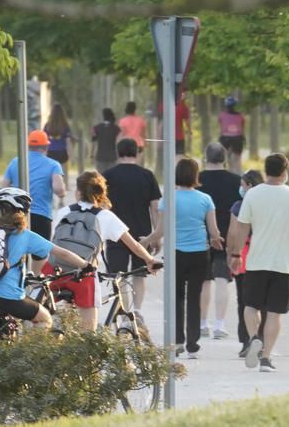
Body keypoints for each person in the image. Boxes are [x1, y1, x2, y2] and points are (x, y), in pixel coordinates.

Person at [228, 153, 289, 372]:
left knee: (250, 306)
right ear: (285, 172)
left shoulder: (253, 195)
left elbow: (241, 228)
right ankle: (265, 358)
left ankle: (254, 336)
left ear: (266, 171)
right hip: (284, 264)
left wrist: (236, 255)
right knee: (274, 313)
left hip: (256, 262)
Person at [48, 171, 160, 331]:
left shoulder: (64, 212)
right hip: (84, 276)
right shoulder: (105, 216)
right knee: (88, 333)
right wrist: (150, 260)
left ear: (78, 192)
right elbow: (134, 245)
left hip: (56, 273)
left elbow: (54, 242)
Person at [0, 187, 90, 333]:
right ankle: (33, 354)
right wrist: (85, 265)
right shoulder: (25, 235)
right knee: (45, 318)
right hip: (7, 298)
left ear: (4, 210)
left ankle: (4, 352)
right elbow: (62, 254)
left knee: (8, 335)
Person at [143, 157, 223, 359]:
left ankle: (178, 340)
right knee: (194, 298)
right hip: (199, 254)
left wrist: (146, 240)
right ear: (196, 175)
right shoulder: (205, 199)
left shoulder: (167, 199)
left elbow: (160, 231)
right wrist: (216, 239)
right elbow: (214, 231)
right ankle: (193, 344)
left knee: (176, 298)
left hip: (175, 253)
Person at [102, 138, 161, 311]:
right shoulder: (147, 175)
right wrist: (156, 235)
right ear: (137, 153)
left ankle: (124, 313)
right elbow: (155, 208)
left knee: (119, 277)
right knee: (139, 275)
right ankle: (137, 311)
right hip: (142, 235)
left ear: (117, 153)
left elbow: (102, 206)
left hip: (115, 234)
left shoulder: (108, 175)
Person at [198, 142, 242, 340]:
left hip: (201, 236)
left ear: (205, 157)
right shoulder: (236, 181)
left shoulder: (197, 179)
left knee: (204, 281)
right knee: (222, 279)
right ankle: (220, 324)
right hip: (227, 235)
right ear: (225, 158)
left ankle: (202, 324)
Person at [0, 128, 66, 258]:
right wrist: (62, 193)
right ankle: (35, 276)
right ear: (46, 146)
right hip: (41, 215)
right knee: (40, 254)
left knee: (18, 251)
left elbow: (3, 186)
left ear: (28, 146)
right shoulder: (53, 165)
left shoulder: (15, 162)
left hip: (18, 214)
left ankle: (21, 276)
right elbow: (59, 189)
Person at [226, 169, 265, 358]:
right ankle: (262, 338)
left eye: (242, 185)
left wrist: (231, 254)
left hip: (243, 256)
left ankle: (246, 341)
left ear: (249, 185)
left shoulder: (239, 206)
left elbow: (233, 233)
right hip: (264, 256)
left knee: (243, 301)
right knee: (263, 302)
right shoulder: (267, 204)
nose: (240, 189)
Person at [44, 104, 75, 185]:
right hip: (62, 152)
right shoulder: (65, 126)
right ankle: (65, 186)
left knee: (51, 172)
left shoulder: (47, 126)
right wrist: (71, 155)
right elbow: (68, 142)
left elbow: (45, 140)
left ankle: (52, 187)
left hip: (51, 151)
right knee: (64, 171)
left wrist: (44, 153)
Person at [219, 95, 245, 174]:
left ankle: (227, 173)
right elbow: (242, 126)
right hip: (237, 138)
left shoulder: (222, 115)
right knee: (237, 159)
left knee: (226, 158)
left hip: (225, 137)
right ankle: (238, 174)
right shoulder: (240, 116)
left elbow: (221, 125)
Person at [91, 107, 121, 173]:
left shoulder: (96, 128)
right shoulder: (116, 128)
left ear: (103, 116)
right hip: (112, 157)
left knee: (101, 178)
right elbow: (119, 142)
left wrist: (92, 155)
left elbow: (93, 143)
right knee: (112, 177)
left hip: (100, 157)